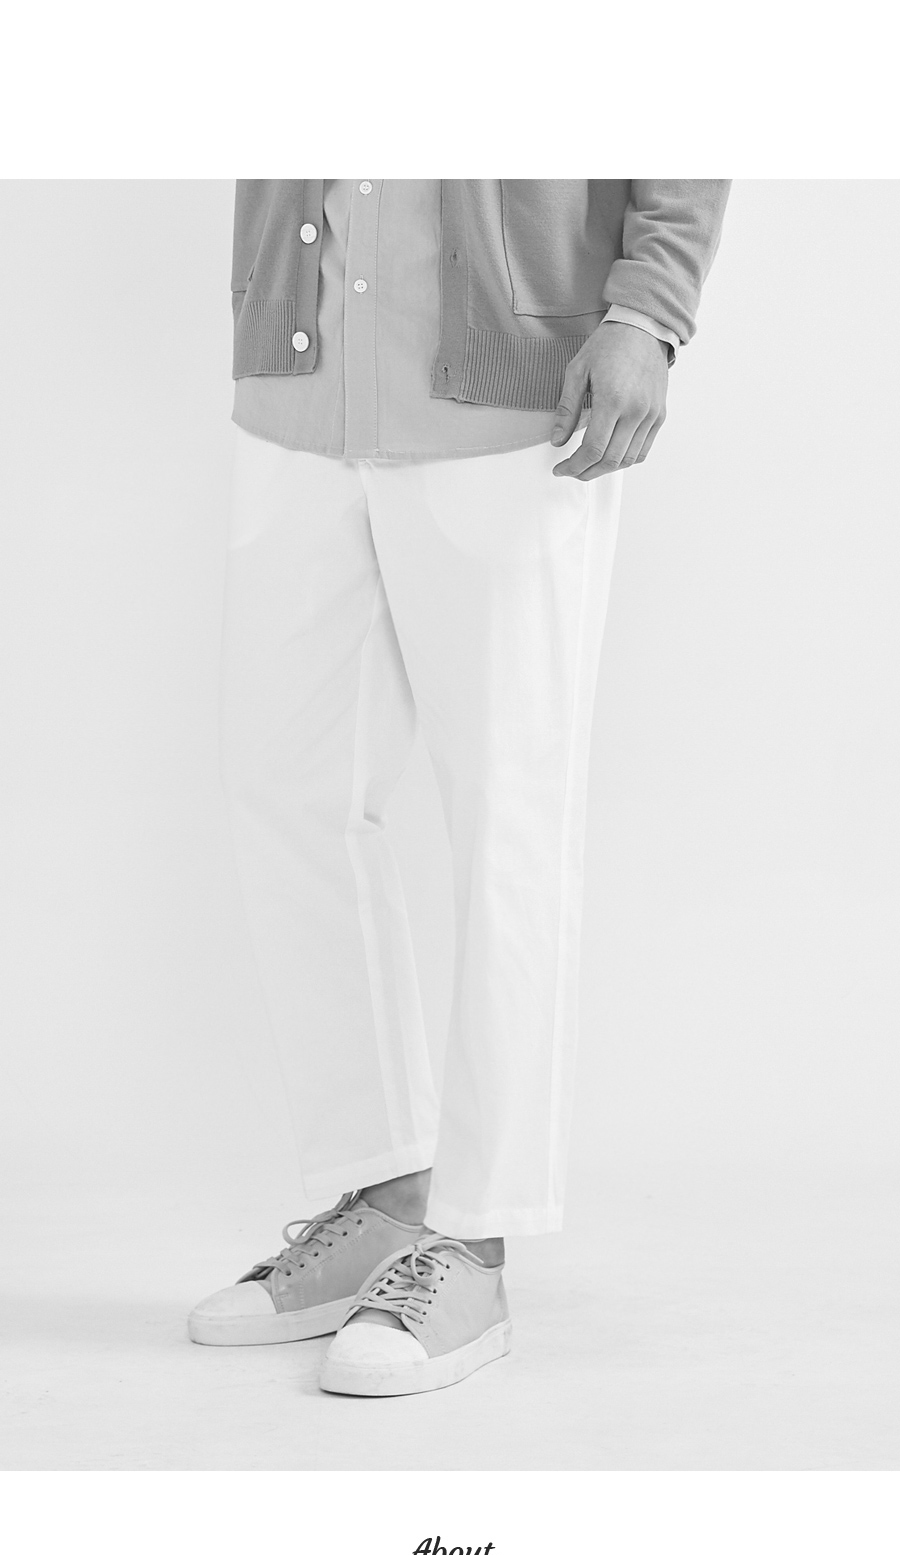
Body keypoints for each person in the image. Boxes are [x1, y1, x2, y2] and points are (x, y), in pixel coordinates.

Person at [188, 179, 731, 1397]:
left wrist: (648, 312)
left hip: (514, 392)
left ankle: (474, 1244)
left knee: (507, 816)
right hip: (301, 369)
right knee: (283, 787)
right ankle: (386, 1192)